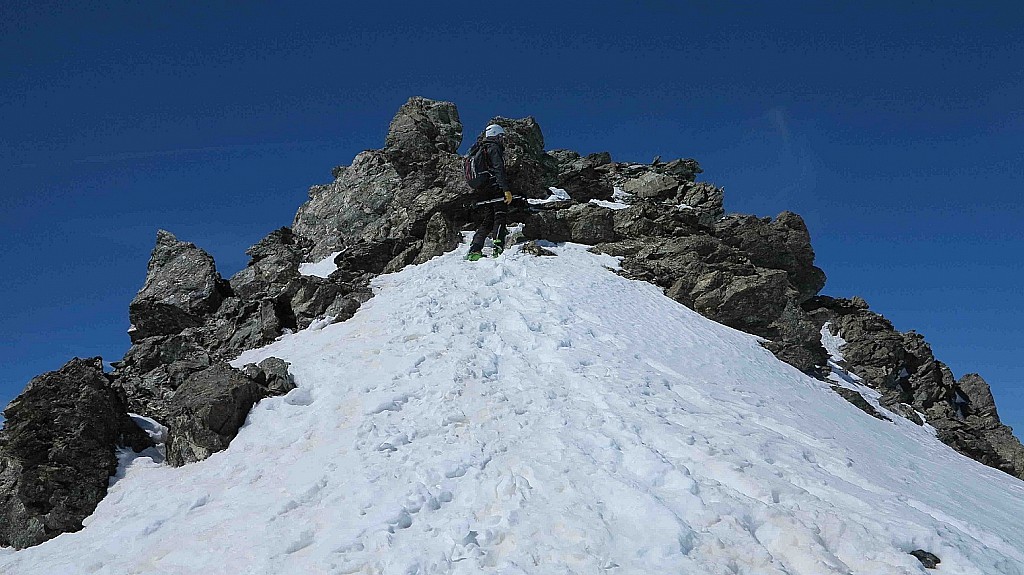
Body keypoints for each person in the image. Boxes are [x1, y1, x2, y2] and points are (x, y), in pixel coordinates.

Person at [466, 124, 514, 261]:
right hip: (495, 186)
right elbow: (499, 169)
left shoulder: (479, 149)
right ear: (496, 134)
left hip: (481, 188)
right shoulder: (493, 148)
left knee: (488, 219)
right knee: (500, 215)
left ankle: (475, 248)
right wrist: (506, 189)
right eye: (501, 136)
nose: (502, 139)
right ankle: (498, 246)